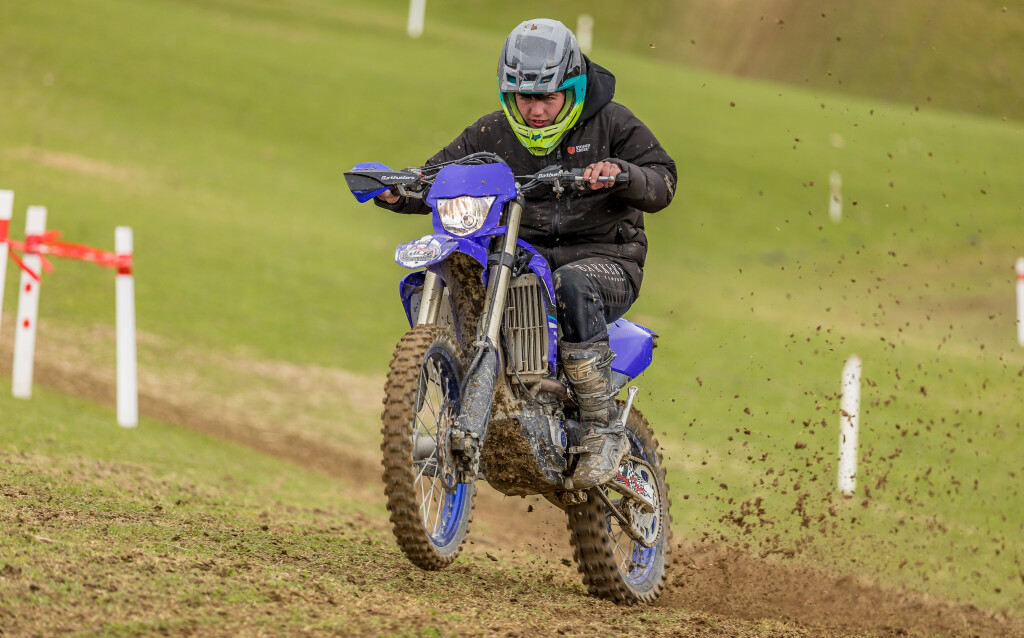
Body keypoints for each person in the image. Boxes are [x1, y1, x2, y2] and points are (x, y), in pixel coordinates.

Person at [376, 18, 676, 489]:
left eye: (547, 98)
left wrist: (622, 173)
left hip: (608, 259)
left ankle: (600, 427)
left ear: (573, 89)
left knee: (573, 281)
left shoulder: (612, 123)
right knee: (471, 266)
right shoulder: (492, 133)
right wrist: (398, 191)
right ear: (507, 93)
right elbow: (438, 177)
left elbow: (663, 180)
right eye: (524, 97)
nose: (535, 111)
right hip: (520, 256)